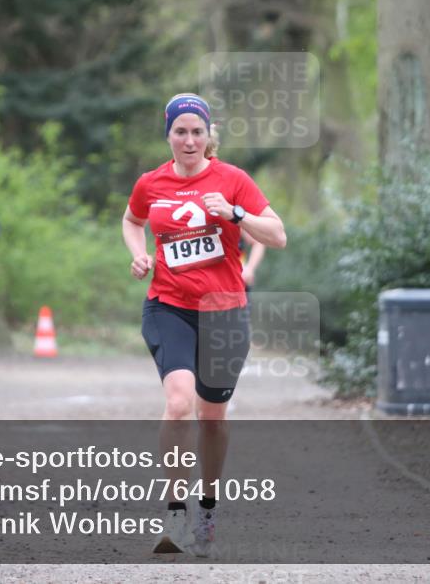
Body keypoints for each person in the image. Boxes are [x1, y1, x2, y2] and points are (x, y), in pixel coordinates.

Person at [122, 93, 286, 556]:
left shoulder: (233, 179)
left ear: (208, 135)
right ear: (169, 135)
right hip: (168, 306)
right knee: (178, 404)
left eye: (197, 132)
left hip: (224, 311)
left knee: (212, 417)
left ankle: (207, 509)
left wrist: (235, 213)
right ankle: (176, 512)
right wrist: (139, 254)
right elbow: (132, 220)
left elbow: (278, 234)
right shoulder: (151, 182)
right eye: (181, 131)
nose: (189, 140)